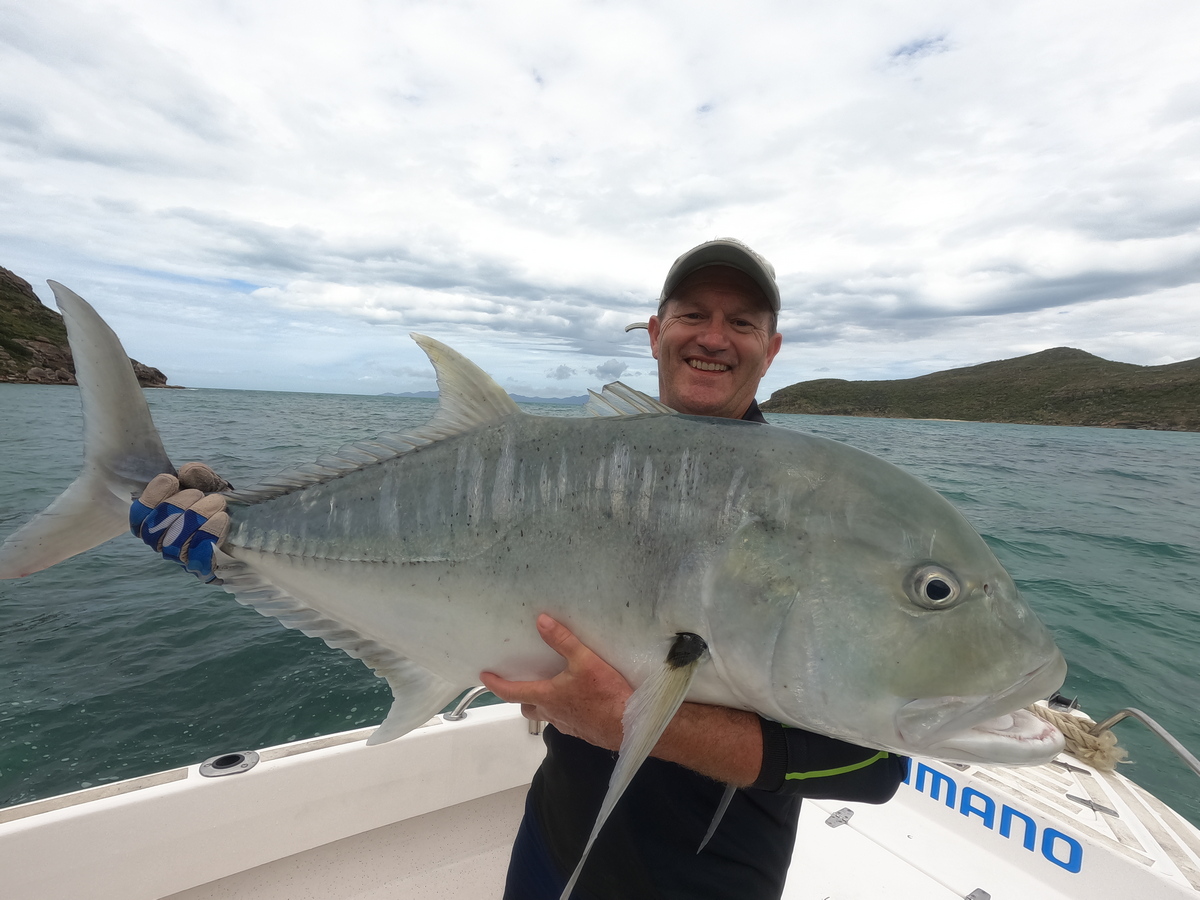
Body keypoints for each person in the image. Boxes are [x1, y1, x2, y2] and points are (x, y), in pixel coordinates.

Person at [130, 239, 908, 900]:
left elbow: (877, 764)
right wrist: (235, 538)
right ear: (655, 333)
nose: (714, 336)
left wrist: (620, 719)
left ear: (771, 349)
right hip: (552, 850)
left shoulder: (808, 517)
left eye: (742, 321)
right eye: (692, 315)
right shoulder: (570, 471)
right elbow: (439, 571)